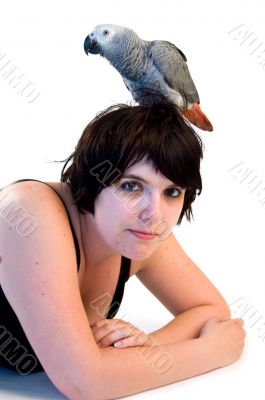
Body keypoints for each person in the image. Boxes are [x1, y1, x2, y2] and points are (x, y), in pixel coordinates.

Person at [0, 101, 245, 399]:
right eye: (131, 186)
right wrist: (210, 352)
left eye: (172, 191)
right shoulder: (27, 212)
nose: (154, 212)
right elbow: (84, 383)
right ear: (93, 179)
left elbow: (211, 312)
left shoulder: (139, 229)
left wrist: (146, 346)